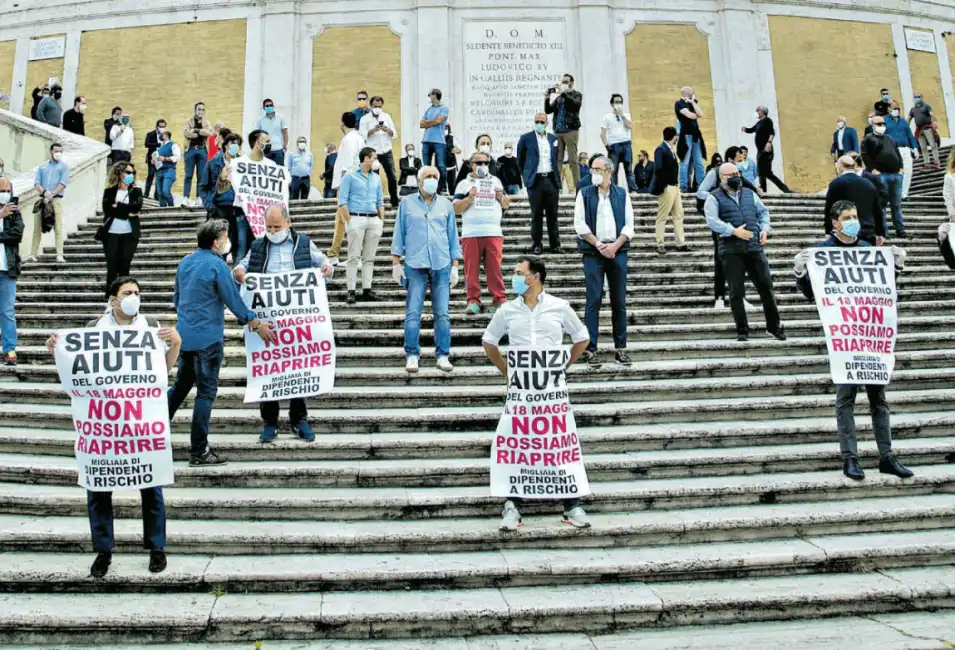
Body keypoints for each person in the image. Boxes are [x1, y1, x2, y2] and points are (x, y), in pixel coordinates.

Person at [46, 276, 181, 578]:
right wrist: (55, 348)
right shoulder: (95, 328)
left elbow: (163, 371)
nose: (134, 297)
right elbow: (74, 373)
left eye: (137, 292)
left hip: (141, 421)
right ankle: (103, 550)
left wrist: (177, 344)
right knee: (98, 487)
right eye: (127, 293)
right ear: (113, 300)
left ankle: (157, 547)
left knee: (151, 484)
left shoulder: (151, 325)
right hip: (104, 424)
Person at [793, 201, 913, 481]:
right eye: (847, 217)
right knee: (845, 399)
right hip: (845, 337)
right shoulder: (822, 253)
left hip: (870, 336)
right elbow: (814, 295)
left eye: (855, 216)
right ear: (834, 222)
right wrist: (801, 274)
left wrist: (895, 267)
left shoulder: (868, 251)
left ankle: (887, 456)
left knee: (878, 400)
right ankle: (851, 459)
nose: (852, 221)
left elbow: (882, 292)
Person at [482, 256, 592, 531]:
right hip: (521, 393)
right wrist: (506, 370)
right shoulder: (507, 310)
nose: (515, 277)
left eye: (520, 273)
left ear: (536, 277)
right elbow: (489, 341)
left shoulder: (559, 307)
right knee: (517, 444)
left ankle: (572, 503)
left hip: (551, 393)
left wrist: (563, 366)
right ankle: (513, 504)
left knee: (559, 443)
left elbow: (582, 337)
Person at [168, 220, 275, 466]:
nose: (228, 242)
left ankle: (154, 435)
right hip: (208, 340)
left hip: (185, 337)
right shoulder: (217, 266)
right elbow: (233, 301)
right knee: (205, 394)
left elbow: (177, 298)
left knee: (180, 389)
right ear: (217, 242)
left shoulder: (185, 262)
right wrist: (256, 324)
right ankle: (199, 450)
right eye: (225, 238)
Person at [232, 204, 333, 442]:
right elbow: (243, 265)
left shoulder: (304, 243)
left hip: (297, 321)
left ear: (288, 223)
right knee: (268, 370)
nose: (272, 230)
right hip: (267, 321)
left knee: (297, 369)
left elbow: (323, 262)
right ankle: (269, 422)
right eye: (268, 226)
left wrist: (326, 267)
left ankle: (299, 420)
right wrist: (238, 271)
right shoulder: (257, 245)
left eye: (277, 226)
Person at [705, 163, 786, 342]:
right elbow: (711, 220)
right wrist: (732, 230)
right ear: (722, 177)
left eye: (737, 173)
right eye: (732, 174)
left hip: (754, 248)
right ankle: (742, 329)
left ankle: (774, 327)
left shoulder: (750, 194)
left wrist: (765, 229)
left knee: (766, 288)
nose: (736, 176)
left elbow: (763, 213)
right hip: (731, 250)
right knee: (736, 292)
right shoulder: (713, 197)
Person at [392, 166, 462, 374]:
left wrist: (455, 265)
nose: (432, 179)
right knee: (413, 312)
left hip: (441, 264)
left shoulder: (446, 205)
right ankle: (412, 354)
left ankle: (443, 354)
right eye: (428, 177)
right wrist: (396, 262)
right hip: (415, 263)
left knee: (442, 313)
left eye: (435, 177)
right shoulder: (407, 203)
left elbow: (452, 235)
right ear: (420, 181)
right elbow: (399, 233)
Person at [574, 155, 634, 366]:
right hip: (593, 252)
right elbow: (579, 224)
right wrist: (598, 244)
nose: (594, 173)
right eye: (592, 170)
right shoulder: (584, 193)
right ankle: (590, 349)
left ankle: (620, 348)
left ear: (609, 171)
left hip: (617, 250)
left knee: (619, 301)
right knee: (594, 299)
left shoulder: (622, 194)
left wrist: (615, 246)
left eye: (598, 170)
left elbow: (629, 225)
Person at [696, 147, 758, 310]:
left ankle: (740, 296)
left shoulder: (738, 175)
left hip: (737, 221)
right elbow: (700, 191)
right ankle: (719, 297)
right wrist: (715, 198)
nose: (739, 169)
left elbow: (746, 189)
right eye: (737, 161)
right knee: (720, 259)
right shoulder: (715, 173)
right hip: (720, 222)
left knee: (739, 261)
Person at [453, 150, 509, 315]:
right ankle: (473, 300)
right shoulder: (464, 183)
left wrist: (501, 197)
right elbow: (455, 208)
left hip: (493, 232)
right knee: (471, 269)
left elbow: (506, 204)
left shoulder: (496, 181)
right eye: (479, 163)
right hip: (471, 233)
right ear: (472, 165)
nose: (483, 166)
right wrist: (469, 198)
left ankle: (499, 298)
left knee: (495, 268)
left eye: (486, 163)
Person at [338, 146, 385, 304]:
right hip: (356, 218)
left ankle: (367, 289)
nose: (376, 161)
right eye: (374, 157)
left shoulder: (376, 178)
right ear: (366, 158)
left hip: (373, 219)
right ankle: (351, 290)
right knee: (353, 257)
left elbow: (380, 201)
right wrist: (349, 221)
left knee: (369, 258)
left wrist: (381, 220)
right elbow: (342, 201)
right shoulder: (350, 176)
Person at [517, 112, 563, 255]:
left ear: (547, 123)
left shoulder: (553, 138)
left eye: (542, 121)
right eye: (537, 121)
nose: (539, 124)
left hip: (550, 180)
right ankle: (537, 244)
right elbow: (520, 160)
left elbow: (557, 158)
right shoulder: (526, 138)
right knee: (536, 214)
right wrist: (526, 177)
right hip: (535, 181)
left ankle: (555, 245)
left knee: (552, 215)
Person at [328, 112, 365, 266]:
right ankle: (333, 254)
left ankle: (355, 257)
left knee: (347, 220)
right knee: (341, 220)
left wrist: (344, 186)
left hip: (348, 184)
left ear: (342, 123)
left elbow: (348, 164)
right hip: (355, 183)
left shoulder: (349, 139)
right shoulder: (359, 138)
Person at [101, 161, 143, 296]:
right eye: (128, 172)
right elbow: (107, 210)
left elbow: (137, 208)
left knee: (125, 265)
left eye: (133, 173)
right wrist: (127, 212)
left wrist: (118, 206)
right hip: (111, 233)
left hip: (129, 234)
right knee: (112, 266)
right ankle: (111, 296)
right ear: (120, 173)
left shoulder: (136, 191)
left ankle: (125, 294)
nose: (131, 175)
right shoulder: (109, 191)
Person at [861, 115, 906, 238]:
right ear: (872, 125)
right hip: (881, 175)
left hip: (896, 175)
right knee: (882, 205)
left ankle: (900, 229)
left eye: (883, 123)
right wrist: (873, 170)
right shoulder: (868, 139)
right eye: (878, 124)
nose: (882, 126)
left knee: (896, 205)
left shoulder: (889, 139)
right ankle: (883, 231)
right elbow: (865, 155)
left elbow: (897, 153)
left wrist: (901, 168)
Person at [824, 155, 885, 245]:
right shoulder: (868, 184)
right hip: (868, 230)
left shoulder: (836, 183)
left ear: (840, 167)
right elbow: (877, 210)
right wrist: (880, 233)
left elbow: (829, 209)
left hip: (845, 232)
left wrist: (828, 230)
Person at [202, 130, 244, 257]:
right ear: (226, 145)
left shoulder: (244, 165)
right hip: (219, 208)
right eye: (233, 143)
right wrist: (209, 205)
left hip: (238, 209)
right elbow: (203, 186)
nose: (235, 146)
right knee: (218, 246)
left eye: (238, 144)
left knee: (238, 246)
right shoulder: (213, 163)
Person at [27, 143, 69, 264]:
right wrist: (45, 192)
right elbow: (37, 183)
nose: (59, 153)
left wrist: (52, 194)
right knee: (37, 227)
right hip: (43, 199)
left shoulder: (64, 167)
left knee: (58, 227)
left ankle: (59, 254)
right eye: (56, 151)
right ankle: (33, 253)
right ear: (51, 151)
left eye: (61, 151)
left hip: (57, 199)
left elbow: (63, 183)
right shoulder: (43, 167)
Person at [651, 126, 686, 255]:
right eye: (676, 136)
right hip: (667, 187)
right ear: (673, 136)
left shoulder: (671, 150)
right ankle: (660, 243)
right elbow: (659, 169)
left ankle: (681, 243)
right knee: (663, 215)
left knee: (678, 214)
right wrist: (664, 185)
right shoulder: (660, 149)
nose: (677, 138)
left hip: (675, 187)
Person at [359, 95, 399, 208]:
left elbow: (394, 134)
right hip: (373, 153)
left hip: (386, 151)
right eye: (375, 106)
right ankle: (374, 202)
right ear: (371, 106)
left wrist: (386, 129)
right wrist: (373, 130)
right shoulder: (365, 119)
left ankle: (394, 201)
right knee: (373, 179)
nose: (378, 108)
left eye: (380, 106)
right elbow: (362, 135)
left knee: (392, 176)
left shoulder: (386, 116)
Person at [544, 74, 582, 189]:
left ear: (571, 83)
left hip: (571, 130)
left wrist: (564, 93)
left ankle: (577, 185)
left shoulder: (576, 95)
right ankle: (557, 185)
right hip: (558, 131)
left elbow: (574, 106)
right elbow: (548, 110)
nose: (564, 83)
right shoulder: (559, 98)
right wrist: (547, 97)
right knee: (557, 159)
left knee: (573, 159)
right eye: (563, 81)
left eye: (566, 81)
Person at [742, 105, 791, 193]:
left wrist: (769, 143)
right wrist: (745, 129)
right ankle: (764, 191)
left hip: (766, 151)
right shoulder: (759, 123)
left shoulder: (767, 121)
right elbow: (752, 130)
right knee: (761, 172)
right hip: (760, 151)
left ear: (763, 112)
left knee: (767, 173)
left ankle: (785, 190)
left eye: (759, 111)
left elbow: (772, 132)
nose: (757, 112)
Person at [0, 178, 22, 367]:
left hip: (8, 269)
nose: (5, 193)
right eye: (1, 190)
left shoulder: (15, 212)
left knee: (7, 311)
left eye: (7, 190)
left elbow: (17, 234)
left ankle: (9, 349)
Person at [600, 94, 637, 192]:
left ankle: (632, 190)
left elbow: (630, 126)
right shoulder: (607, 117)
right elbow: (602, 133)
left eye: (620, 102)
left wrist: (622, 116)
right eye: (616, 102)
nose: (618, 104)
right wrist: (606, 145)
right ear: (612, 104)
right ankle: (613, 190)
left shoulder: (627, 115)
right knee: (613, 170)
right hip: (614, 145)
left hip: (626, 144)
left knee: (629, 169)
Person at [885, 101, 919, 199]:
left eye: (898, 108)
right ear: (889, 109)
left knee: (908, 171)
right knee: (894, 172)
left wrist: (915, 147)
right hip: (892, 149)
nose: (896, 110)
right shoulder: (884, 121)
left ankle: (904, 194)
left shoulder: (903, 121)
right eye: (894, 108)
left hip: (905, 149)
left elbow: (910, 135)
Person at [182, 102, 213, 208]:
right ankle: (185, 197)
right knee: (188, 175)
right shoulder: (188, 121)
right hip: (190, 150)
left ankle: (199, 198)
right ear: (195, 110)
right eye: (199, 109)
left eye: (203, 109)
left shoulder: (207, 122)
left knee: (201, 176)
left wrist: (196, 130)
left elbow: (209, 133)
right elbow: (186, 133)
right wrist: (198, 133)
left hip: (202, 150)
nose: (201, 111)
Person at [675, 87, 706, 192]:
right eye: (693, 92)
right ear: (688, 93)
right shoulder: (679, 103)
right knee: (685, 162)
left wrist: (693, 102)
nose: (694, 94)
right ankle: (683, 186)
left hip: (696, 136)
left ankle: (701, 186)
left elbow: (700, 114)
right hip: (686, 136)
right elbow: (691, 116)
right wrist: (695, 113)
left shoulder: (692, 103)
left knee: (699, 162)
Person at [420, 88, 450, 194]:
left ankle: (441, 188)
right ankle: (424, 188)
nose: (429, 97)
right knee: (425, 167)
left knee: (441, 166)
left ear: (436, 95)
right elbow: (421, 124)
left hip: (439, 141)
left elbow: (439, 121)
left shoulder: (444, 108)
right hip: (426, 140)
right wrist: (431, 122)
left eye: (430, 95)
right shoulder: (428, 109)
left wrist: (428, 123)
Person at [909, 91, 941, 169]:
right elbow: (908, 119)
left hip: (928, 128)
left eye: (918, 97)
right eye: (915, 97)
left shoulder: (926, 106)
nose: (917, 98)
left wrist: (935, 122)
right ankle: (926, 163)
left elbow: (932, 114)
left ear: (922, 97)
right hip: (919, 130)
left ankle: (937, 162)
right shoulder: (913, 109)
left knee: (933, 145)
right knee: (923, 148)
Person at [254, 98, 288, 165]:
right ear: (264, 108)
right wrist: (259, 147)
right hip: (266, 150)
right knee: (267, 172)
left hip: (278, 149)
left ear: (273, 106)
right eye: (267, 106)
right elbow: (257, 134)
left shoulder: (280, 118)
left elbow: (285, 133)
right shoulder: (260, 120)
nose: (269, 107)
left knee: (279, 171)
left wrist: (285, 146)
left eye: (270, 105)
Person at [153, 128, 181, 209]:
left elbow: (177, 157)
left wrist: (164, 158)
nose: (160, 135)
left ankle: (172, 208)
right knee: (160, 193)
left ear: (166, 135)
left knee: (165, 191)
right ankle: (163, 211)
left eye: (161, 134)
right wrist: (154, 161)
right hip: (159, 171)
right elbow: (158, 159)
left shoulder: (174, 145)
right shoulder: (159, 147)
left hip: (169, 170)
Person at [144, 119, 166, 201]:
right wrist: (157, 144)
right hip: (152, 158)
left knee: (159, 177)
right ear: (157, 127)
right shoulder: (150, 134)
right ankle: (146, 194)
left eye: (164, 126)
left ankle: (156, 196)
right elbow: (146, 144)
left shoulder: (165, 136)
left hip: (161, 159)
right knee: (150, 175)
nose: (162, 128)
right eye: (161, 126)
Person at [287, 135, 314, 200]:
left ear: (306, 143)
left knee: (305, 198)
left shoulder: (310, 154)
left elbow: (311, 165)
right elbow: (289, 166)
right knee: (294, 198)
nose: (302, 143)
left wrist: (308, 173)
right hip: (295, 179)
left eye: (304, 141)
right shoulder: (292, 154)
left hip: (306, 179)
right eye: (300, 141)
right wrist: (291, 177)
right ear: (297, 143)